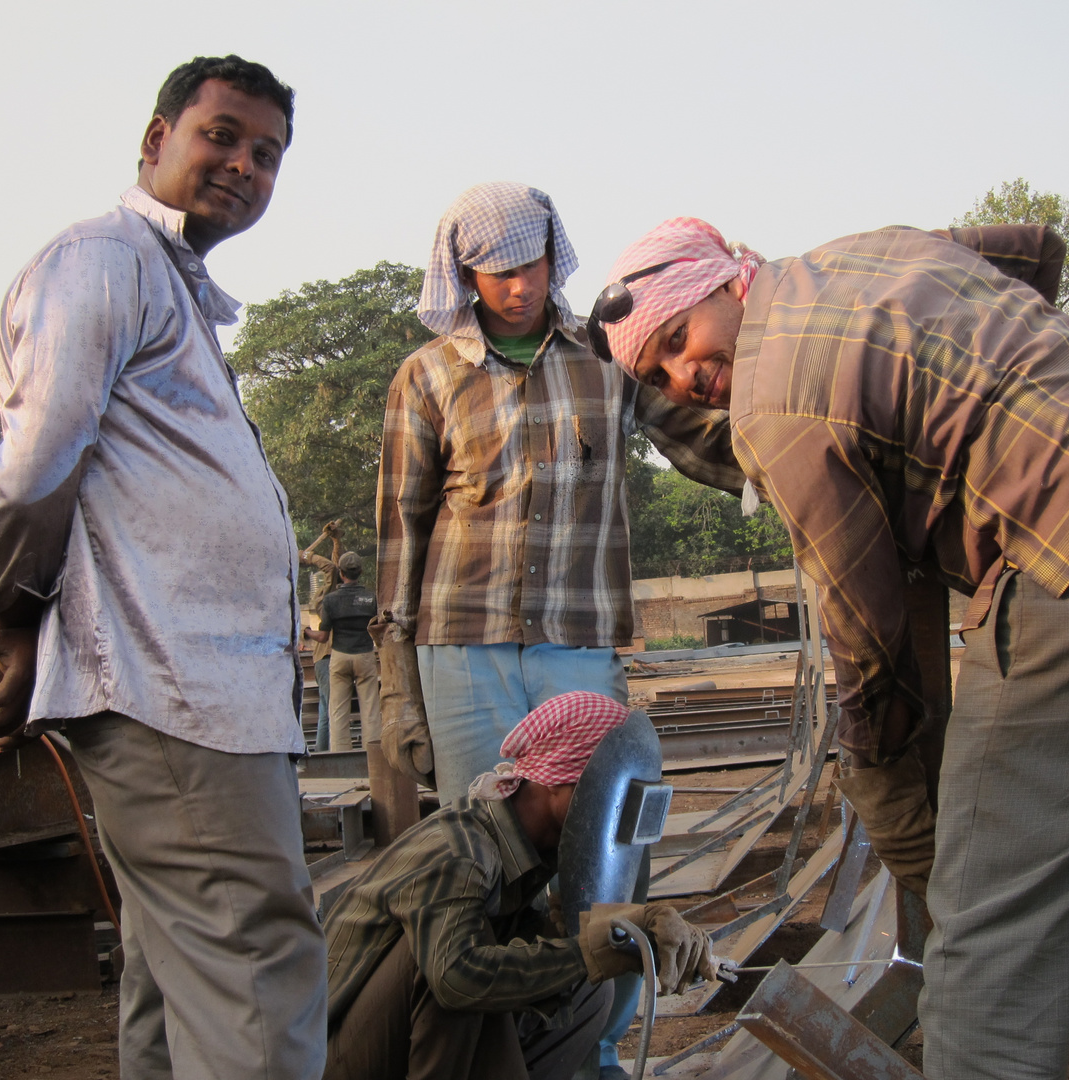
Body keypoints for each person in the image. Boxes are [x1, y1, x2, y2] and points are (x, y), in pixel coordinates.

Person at [592, 218, 1069, 1079]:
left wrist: (880, 777)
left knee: (993, 930)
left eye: (680, 339)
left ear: (725, 279)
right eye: (661, 376)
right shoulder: (875, 253)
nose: (688, 376)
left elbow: (867, 633)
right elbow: (1035, 250)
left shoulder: (775, 404)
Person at [0, 56, 326, 1080]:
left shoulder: (168, 285)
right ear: (155, 140)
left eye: (267, 154)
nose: (244, 165)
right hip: (175, 692)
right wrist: (16, 615)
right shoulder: (101, 261)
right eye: (221, 135)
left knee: (176, 977)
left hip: (199, 694)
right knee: (254, 960)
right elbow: (35, 467)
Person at [376, 182, 743, 1079]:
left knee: (604, 851)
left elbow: (701, 438)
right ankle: (513, 1057)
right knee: (495, 861)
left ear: (556, 254)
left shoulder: (603, 358)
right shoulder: (425, 377)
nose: (517, 285)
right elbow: (400, 532)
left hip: (575, 642)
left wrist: (812, 465)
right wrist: (396, 691)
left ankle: (598, 1049)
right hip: (461, 646)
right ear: (463, 274)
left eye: (532, 262)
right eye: (496, 271)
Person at [320, 691, 716, 1080]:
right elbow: (455, 979)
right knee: (453, 969)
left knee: (589, 990)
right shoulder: (462, 852)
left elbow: (563, 948)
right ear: (559, 783)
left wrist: (640, 933)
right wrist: (590, 952)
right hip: (336, 1056)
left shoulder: (531, 850)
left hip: (404, 1037)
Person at [307, 551, 381, 750]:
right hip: (364, 654)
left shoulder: (331, 601)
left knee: (338, 711)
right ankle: (372, 754)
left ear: (341, 573)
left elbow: (322, 637)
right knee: (371, 709)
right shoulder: (371, 599)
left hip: (339, 656)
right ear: (361, 572)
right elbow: (379, 629)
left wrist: (307, 632)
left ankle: (340, 752)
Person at [301, 520, 344, 751]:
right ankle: (328, 752)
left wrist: (336, 540)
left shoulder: (332, 593)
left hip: (325, 659)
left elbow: (336, 567)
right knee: (331, 708)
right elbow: (332, 569)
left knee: (325, 710)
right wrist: (308, 557)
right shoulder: (323, 599)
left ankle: (321, 750)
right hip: (326, 658)